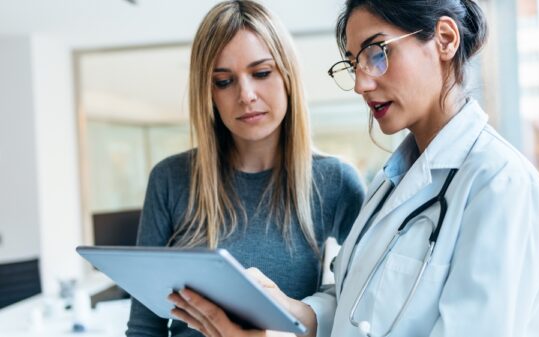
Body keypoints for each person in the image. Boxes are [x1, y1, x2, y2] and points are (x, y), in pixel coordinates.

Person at [167, 0, 539, 337]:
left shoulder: (498, 185)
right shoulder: (392, 183)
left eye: (378, 52)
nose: (361, 83)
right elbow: (352, 300)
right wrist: (290, 310)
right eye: (354, 62)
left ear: (444, 39)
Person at [125, 1, 366, 336]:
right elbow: (144, 327)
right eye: (224, 81)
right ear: (208, 93)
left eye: (262, 73)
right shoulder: (170, 179)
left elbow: (366, 305)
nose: (246, 95)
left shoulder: (334, 182)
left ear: (287, 76)